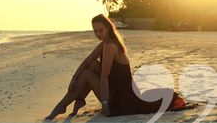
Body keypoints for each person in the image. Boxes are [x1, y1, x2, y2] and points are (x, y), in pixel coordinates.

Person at [44, 14, 197, 120]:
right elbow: (87, 61)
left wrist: (104, 105)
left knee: (86, 75)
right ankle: (78, 99)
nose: (97, 34)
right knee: (90, 66)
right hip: (114, 91)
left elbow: (103, 77)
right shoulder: (104, 43)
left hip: (121, 99)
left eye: (100, 30)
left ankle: (62, 106)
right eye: (95, 31)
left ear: (108, 29)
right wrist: (73, 78)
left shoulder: (110, 46)